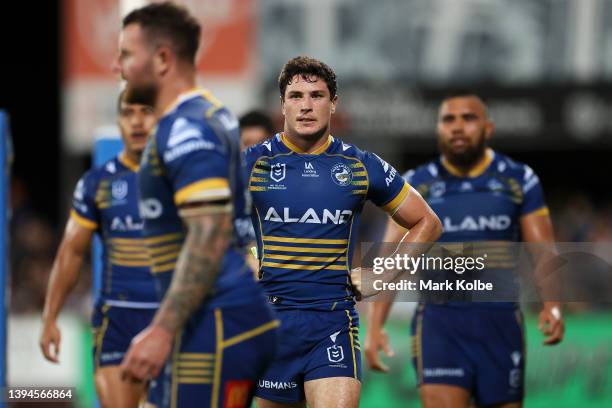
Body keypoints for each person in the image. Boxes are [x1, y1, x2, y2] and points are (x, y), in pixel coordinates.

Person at [245, 56, 442, 408]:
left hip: (332, 322)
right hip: (270, 324)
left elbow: (427, 222)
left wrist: (382, 275)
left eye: (317, 95)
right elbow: (202, 223)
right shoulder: (252, 162)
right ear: (282, 105)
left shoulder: (359, 165)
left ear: (333, 103)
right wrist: (240, 254)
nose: (306, 106)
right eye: (296, 96)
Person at [114, 3, 278, 407]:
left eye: (126, 55)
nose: (118, 67)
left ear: (163, 58)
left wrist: (163, 330)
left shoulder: (187, 128)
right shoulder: (208, 115)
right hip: (209, 317)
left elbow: (210, 232)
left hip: (216, 319)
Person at [365, 90, 565, 408]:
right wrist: (375, 326)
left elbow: (543, 250)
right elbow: (390, 257)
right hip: (439, 324)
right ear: (439, 130)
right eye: (448, 119)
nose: (457, 127)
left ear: (488, 128)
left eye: (468, 118)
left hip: (499, 324)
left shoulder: (519, 179)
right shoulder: (417, 184)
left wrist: (552, 304)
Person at [40, 91, 158, 408]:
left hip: (171, 320)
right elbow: (72, 251)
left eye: (145, 111)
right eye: (127, 113)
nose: (136, 121)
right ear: (118, 120)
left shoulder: (183, 180)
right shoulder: (97, 183)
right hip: (116, 321)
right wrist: (50, 317)